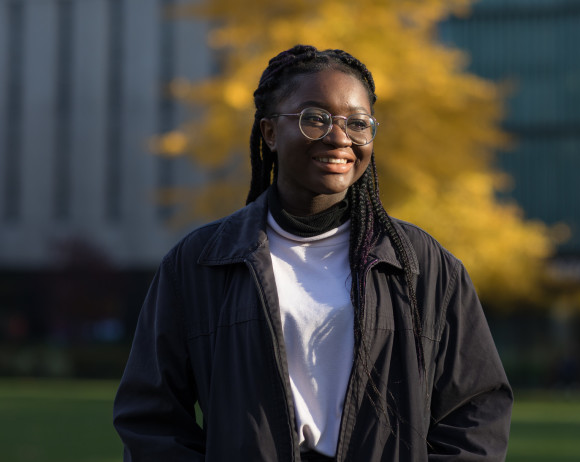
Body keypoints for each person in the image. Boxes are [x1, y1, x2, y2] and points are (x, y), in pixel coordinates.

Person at [113, 45, 512, 461]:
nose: (339, 138)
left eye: (357, 123)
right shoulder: (200, 263)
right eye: (314, 119)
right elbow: (151, 417)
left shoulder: (421, 265)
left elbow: (476, 409)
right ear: (269, 132)